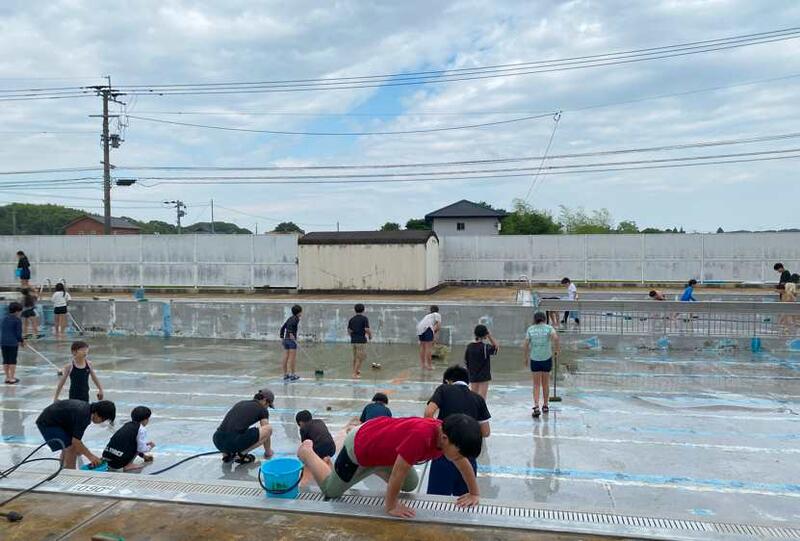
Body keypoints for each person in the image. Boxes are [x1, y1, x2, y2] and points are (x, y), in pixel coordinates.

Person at [297, 414, 482, 519]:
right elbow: (397, 474)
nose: (460, 458)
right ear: (445, 439)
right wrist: (391, 505)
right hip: (360, 446)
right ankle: (307, 452)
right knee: (331, 491)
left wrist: (474, 493)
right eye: (460, 453)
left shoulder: (446, 434)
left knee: (409, 484)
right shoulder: (421, 437)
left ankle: (378, 466)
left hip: (383, 446)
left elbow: (462, 463)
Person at [424, 365, 490, 496]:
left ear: (448, 381)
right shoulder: (478, 398)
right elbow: (486, 431)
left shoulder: (444, 389)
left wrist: (439, 437)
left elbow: (428, 413)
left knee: (437, 500)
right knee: (465, 500)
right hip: (468, 454)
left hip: (444, 452)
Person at [36, 399, 116, 469]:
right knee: (71, 448)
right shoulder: (84, 415)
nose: (102, 422)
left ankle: (64, 469)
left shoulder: (87, 409)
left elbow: (76, 440)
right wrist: (91, 457)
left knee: (70, 447)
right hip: (48, 423)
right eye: (103, 419)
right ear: (97, 413)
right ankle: (71, 473)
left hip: (57, 421)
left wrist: (82, 450)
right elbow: (76, 441)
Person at [213, 388, 275, 463]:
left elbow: (230, 425)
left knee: (234, 429)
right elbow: (266, 430)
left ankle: (226, 455)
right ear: (265, 400)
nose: (267, 407)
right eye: (268, 405)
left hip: (217, 440)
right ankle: (241, 455)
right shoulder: (262, 409)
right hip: (232, 441)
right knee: (268, 429)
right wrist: (268, 452)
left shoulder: (241, 403)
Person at [523, 311, 560, 418]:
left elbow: (525, 344)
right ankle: (545, 405)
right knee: (545, 383)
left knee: (536, 384)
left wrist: (525, 358)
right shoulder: (549, 328)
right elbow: (556, 338)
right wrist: (557, 350)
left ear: (535, 319)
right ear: (544, 319)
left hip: (535, 359)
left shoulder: (531, 329)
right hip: (546, 358)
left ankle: (536, 406)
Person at [103, 406, 155, 471]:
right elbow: (141, 448)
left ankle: (127, 462)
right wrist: (150, 447)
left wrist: (143, 456)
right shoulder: (141, 429)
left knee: (133, 442)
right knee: (137, 444)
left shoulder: (127, 425)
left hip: (107, 457)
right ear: (145, 420)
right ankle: (128, 465)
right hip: (118, 462)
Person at [464, 324, 498, 399]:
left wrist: (470, 372)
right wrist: (489, 336)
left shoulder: (469, 347)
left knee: (473, 397)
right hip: (484, 376)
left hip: (473, 375)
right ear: (485, 335)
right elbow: (496, 347)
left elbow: (466, 361)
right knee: (482, 399)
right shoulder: (485, 347)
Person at [1, 302, 24, 385]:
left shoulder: (3, 318)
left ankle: (7, 377)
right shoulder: (17, 320)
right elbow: (18, 334)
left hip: (3, 342)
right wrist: (21, 341)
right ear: (17, 311)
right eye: (20, 311)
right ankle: (12, 378)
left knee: (6, 360)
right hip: (12, 343)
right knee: (12, 360)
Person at [347, 303, 372, 379]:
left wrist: (353, 336)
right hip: (361, 341)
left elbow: (349, 330)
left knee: (355, 357)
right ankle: (354, 374)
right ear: (363, 310)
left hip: (353, 341)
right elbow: (366, 329)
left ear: (355, 310)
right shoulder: (364, 319)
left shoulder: (352, 319)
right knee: (360, 358)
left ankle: (356, 371)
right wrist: (370, 335)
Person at [279, 304, 302, 381]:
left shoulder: (289, 318)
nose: (301, 313)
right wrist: (291, 333)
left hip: (286, 340)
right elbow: (292, 326)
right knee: (292, 358)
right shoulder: (296, 319)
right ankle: (292, 375)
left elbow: (283, 328)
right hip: (291, 341)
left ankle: (285, 374)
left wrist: (282, 337)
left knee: (285, 357)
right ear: (299, 312)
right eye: (301, 312)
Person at [416, 305, 441, 371]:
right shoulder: (437, 314)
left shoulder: (428, 315)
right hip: (427, 328)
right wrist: (435, 336)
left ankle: (423, 365)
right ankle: (429, 366)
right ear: (437, 310)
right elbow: (438, 326)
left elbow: (434, 327)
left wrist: (433, 334)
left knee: (422, 347)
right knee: (428, 348)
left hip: (419, 328)